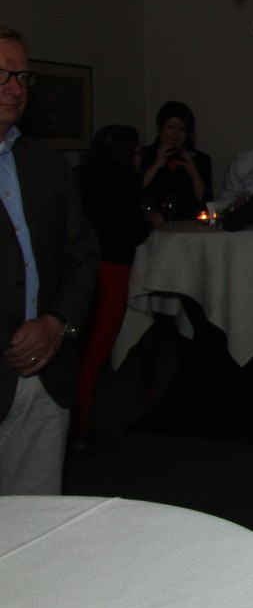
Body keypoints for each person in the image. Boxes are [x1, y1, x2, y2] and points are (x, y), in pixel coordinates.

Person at [0, 26, 99, 493]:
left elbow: (82, 251)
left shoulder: (45, 163)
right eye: (2, 76)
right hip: (10, 360)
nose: (15, 88)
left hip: (47, 370)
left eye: (22, 76)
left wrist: (56, 323)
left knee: (38, 517)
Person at [72, 125, 161, 443]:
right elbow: (129, 231)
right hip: (110, 270)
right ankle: (78, 429)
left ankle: (74, 424)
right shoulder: (122, 184)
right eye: (137, 152)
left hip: (82, 268)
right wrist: (150, 223)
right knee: (94, 352)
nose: (140, 158)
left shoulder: (83, 176)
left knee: (81, 350)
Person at [140, 101, 213, 221]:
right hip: (152, 222)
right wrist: (156, 164)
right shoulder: (144, 155)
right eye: (171, 128)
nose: (176, 134)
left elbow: (205, 201)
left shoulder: (200, 159)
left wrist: (193, 172)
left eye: (182, 129)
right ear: (160, 128)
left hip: (187, 223)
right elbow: (137, 190)